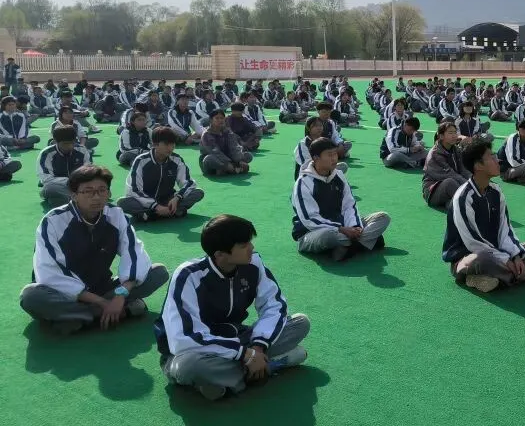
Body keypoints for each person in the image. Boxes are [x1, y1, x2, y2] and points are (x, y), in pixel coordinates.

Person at [155, 215, 311, 401]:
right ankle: (269, 366)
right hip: (193, 351)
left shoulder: (253, 263)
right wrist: (245, 354)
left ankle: (226, 380)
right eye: (244, 245)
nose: (251, 248)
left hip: (236, 338)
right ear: (220, 254)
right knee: (187, 367)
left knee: (301, 323)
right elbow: (185, 338)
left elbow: (274, 305)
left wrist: (258, 348)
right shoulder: (188, 276)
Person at [20, 165, 169, 335]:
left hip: (104, 288)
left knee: (158, 272)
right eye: (88, 191)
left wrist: (120, 295)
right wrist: (104, 303)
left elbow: (134, 254)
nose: (96, 197)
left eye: (102, 190)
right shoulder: (53, 222)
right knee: (30, 296)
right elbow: (50, 273)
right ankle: (121, 311)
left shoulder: (116, 215)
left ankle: (78, 319)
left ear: (109, 193)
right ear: (74, 195)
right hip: (64, 295)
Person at [442, 140, 525, 293]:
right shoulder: (463, 197)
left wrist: (515, 256)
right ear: (478, 166)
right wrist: (506, 259)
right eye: (491, 157)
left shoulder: (496, 191)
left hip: (496, 252)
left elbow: (505, 230)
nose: (497, 160)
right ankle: (519, 274)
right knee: (483, 258)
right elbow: (473, 242)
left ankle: (501, 276)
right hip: (468, 256)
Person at [291, 138, 391, 261]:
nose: (334, 158)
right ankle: (366, 241)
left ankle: (349, 246)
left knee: (383, 217)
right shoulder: (303, 183)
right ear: (316, 158)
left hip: (344, 227)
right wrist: (341, 229)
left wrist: (355, 227)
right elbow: (310, 219)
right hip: (312, 232)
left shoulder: (338, 175)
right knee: (328, 236)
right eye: (329, 155)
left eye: (335, 154)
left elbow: (349, 205)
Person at [118, 127, 205, 221]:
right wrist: (155, 206)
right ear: (155, 144)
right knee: (123, 202)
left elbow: (188, 183)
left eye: (173, 144)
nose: (171, 148)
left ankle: (149, 215)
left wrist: (177, 198)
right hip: (146, 201)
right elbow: (134, 189)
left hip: (167, 200)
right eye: (167, 144)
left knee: (198, 192)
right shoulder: (141, 161)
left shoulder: (176, 159)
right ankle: (172, 212)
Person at [38, 125, 94, 208]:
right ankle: (80, 200)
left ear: (75, 140)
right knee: (50, 189)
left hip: (80, 186)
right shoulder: (46, 154)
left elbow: (89, 171)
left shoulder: (82, 150)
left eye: (71, 143)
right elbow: (46, 179)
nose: (69, 146)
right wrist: (70, 181)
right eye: (65, 144)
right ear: (55, 141)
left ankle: (69, 201)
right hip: (59, 186)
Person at [423, 121, 470, 210]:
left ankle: (454, 204)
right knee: (450, 182)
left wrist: (474, 180)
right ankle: (470, 202)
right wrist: (470, 185)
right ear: (441, 136)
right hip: (432, 191)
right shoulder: (435, 154)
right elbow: (450, 174)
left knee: (474, 180)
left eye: (455, 132)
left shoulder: (456, 149)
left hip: (454, 185)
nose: (454, 135)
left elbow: (464, 170)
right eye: (450, 133)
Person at [199, 109, 252, 176]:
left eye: (221, 118)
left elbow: (234, 147)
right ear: (211, 120)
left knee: (248, 155)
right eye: (217, 118)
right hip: (215, 160)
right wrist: (228, 163)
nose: (220, 120)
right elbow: (215, 152)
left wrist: (239, 160)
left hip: (229, 158)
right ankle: (231, 169)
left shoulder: (227, 131)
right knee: (209, 159)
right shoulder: (206, 134)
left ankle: (227, 169)